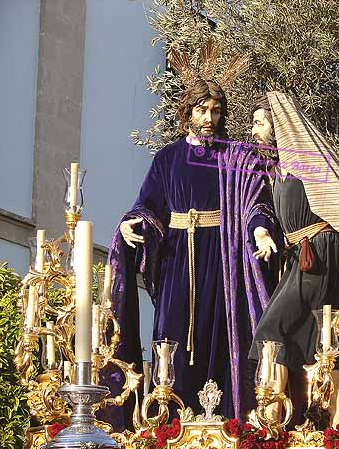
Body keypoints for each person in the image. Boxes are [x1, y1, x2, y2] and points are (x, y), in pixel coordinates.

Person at [107, 53, 279, 427]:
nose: (209, 119)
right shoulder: (167, 158)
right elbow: (148, 204)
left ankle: (222, 423)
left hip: (219, 258)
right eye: (202, 110)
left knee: (215, 337)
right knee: (170, 334)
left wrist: (260, 229)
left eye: (216, 111)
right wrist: (130, 224)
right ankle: (169, 423)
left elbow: (255, 198)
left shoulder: (234, 157)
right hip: (175, 262)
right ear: (188, 112)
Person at [247, 92, 339, 426]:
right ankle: (338, 415)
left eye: (260, 122)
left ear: (279, 125)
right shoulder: (279, 168)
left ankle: (270, 412)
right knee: (321, 332)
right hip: (299, 257)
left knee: (273, 326)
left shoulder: (306, 159)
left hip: (319, 253)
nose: (255, 129)